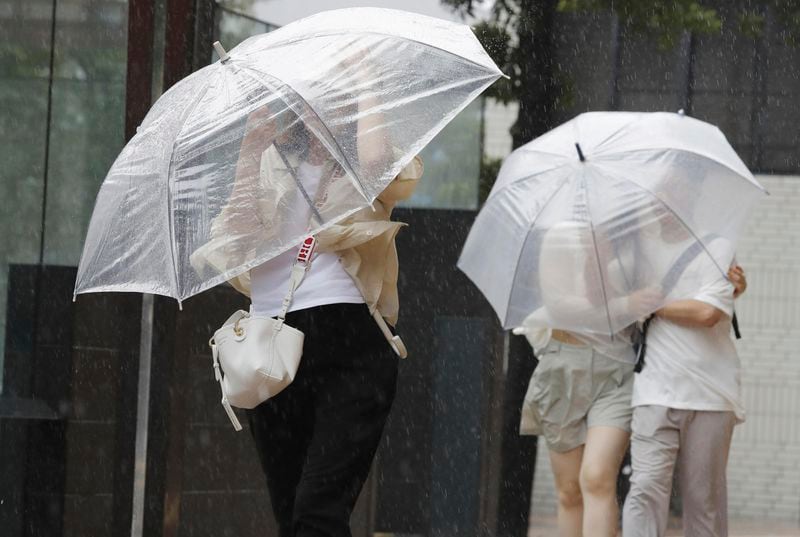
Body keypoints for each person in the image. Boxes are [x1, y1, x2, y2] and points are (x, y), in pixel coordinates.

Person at [194, 89, 423, 536]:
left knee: (319, 511)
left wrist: (364, 74)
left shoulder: (362, 171)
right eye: (309, 101)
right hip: (273, 345)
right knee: (291, 511)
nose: (320, 109)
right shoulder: (271, 165)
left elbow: (376, 160)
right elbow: (237, 242)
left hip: (349, 340)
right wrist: (250, 147)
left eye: (335, 100)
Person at [515, 221, 661, 537]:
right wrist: (624, 305)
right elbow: (560, 306)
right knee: (569, 490)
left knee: (596, 477)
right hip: (564, 366)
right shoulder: (561, 236)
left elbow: (652, 297)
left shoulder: (631, 241)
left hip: (617, 373)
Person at [622, 198, 748, 536]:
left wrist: (655, 306)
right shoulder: (638, 252)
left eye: (672, 198)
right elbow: (611, 302)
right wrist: (631, 303)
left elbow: (708, 314)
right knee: (645, 487)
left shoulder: (717, 248)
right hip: (654, 388)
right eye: (657, 199)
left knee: (702, 500)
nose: (663, 207)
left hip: (709, 393)